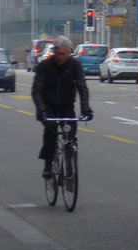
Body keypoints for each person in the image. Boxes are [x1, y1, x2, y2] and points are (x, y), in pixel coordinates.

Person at [31, 36, 92, 179]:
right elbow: (36, 90)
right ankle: (48, 165)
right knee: (51, 131)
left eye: (62, 54)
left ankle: (70, 159)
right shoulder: (44, 66)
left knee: (71, 131)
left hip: (66, 105)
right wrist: (41, 110)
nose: (59, 57)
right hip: (48, 106)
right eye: (57, 53)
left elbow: (82, 88)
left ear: (68, 53)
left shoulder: (75, 66)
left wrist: (86, 110)